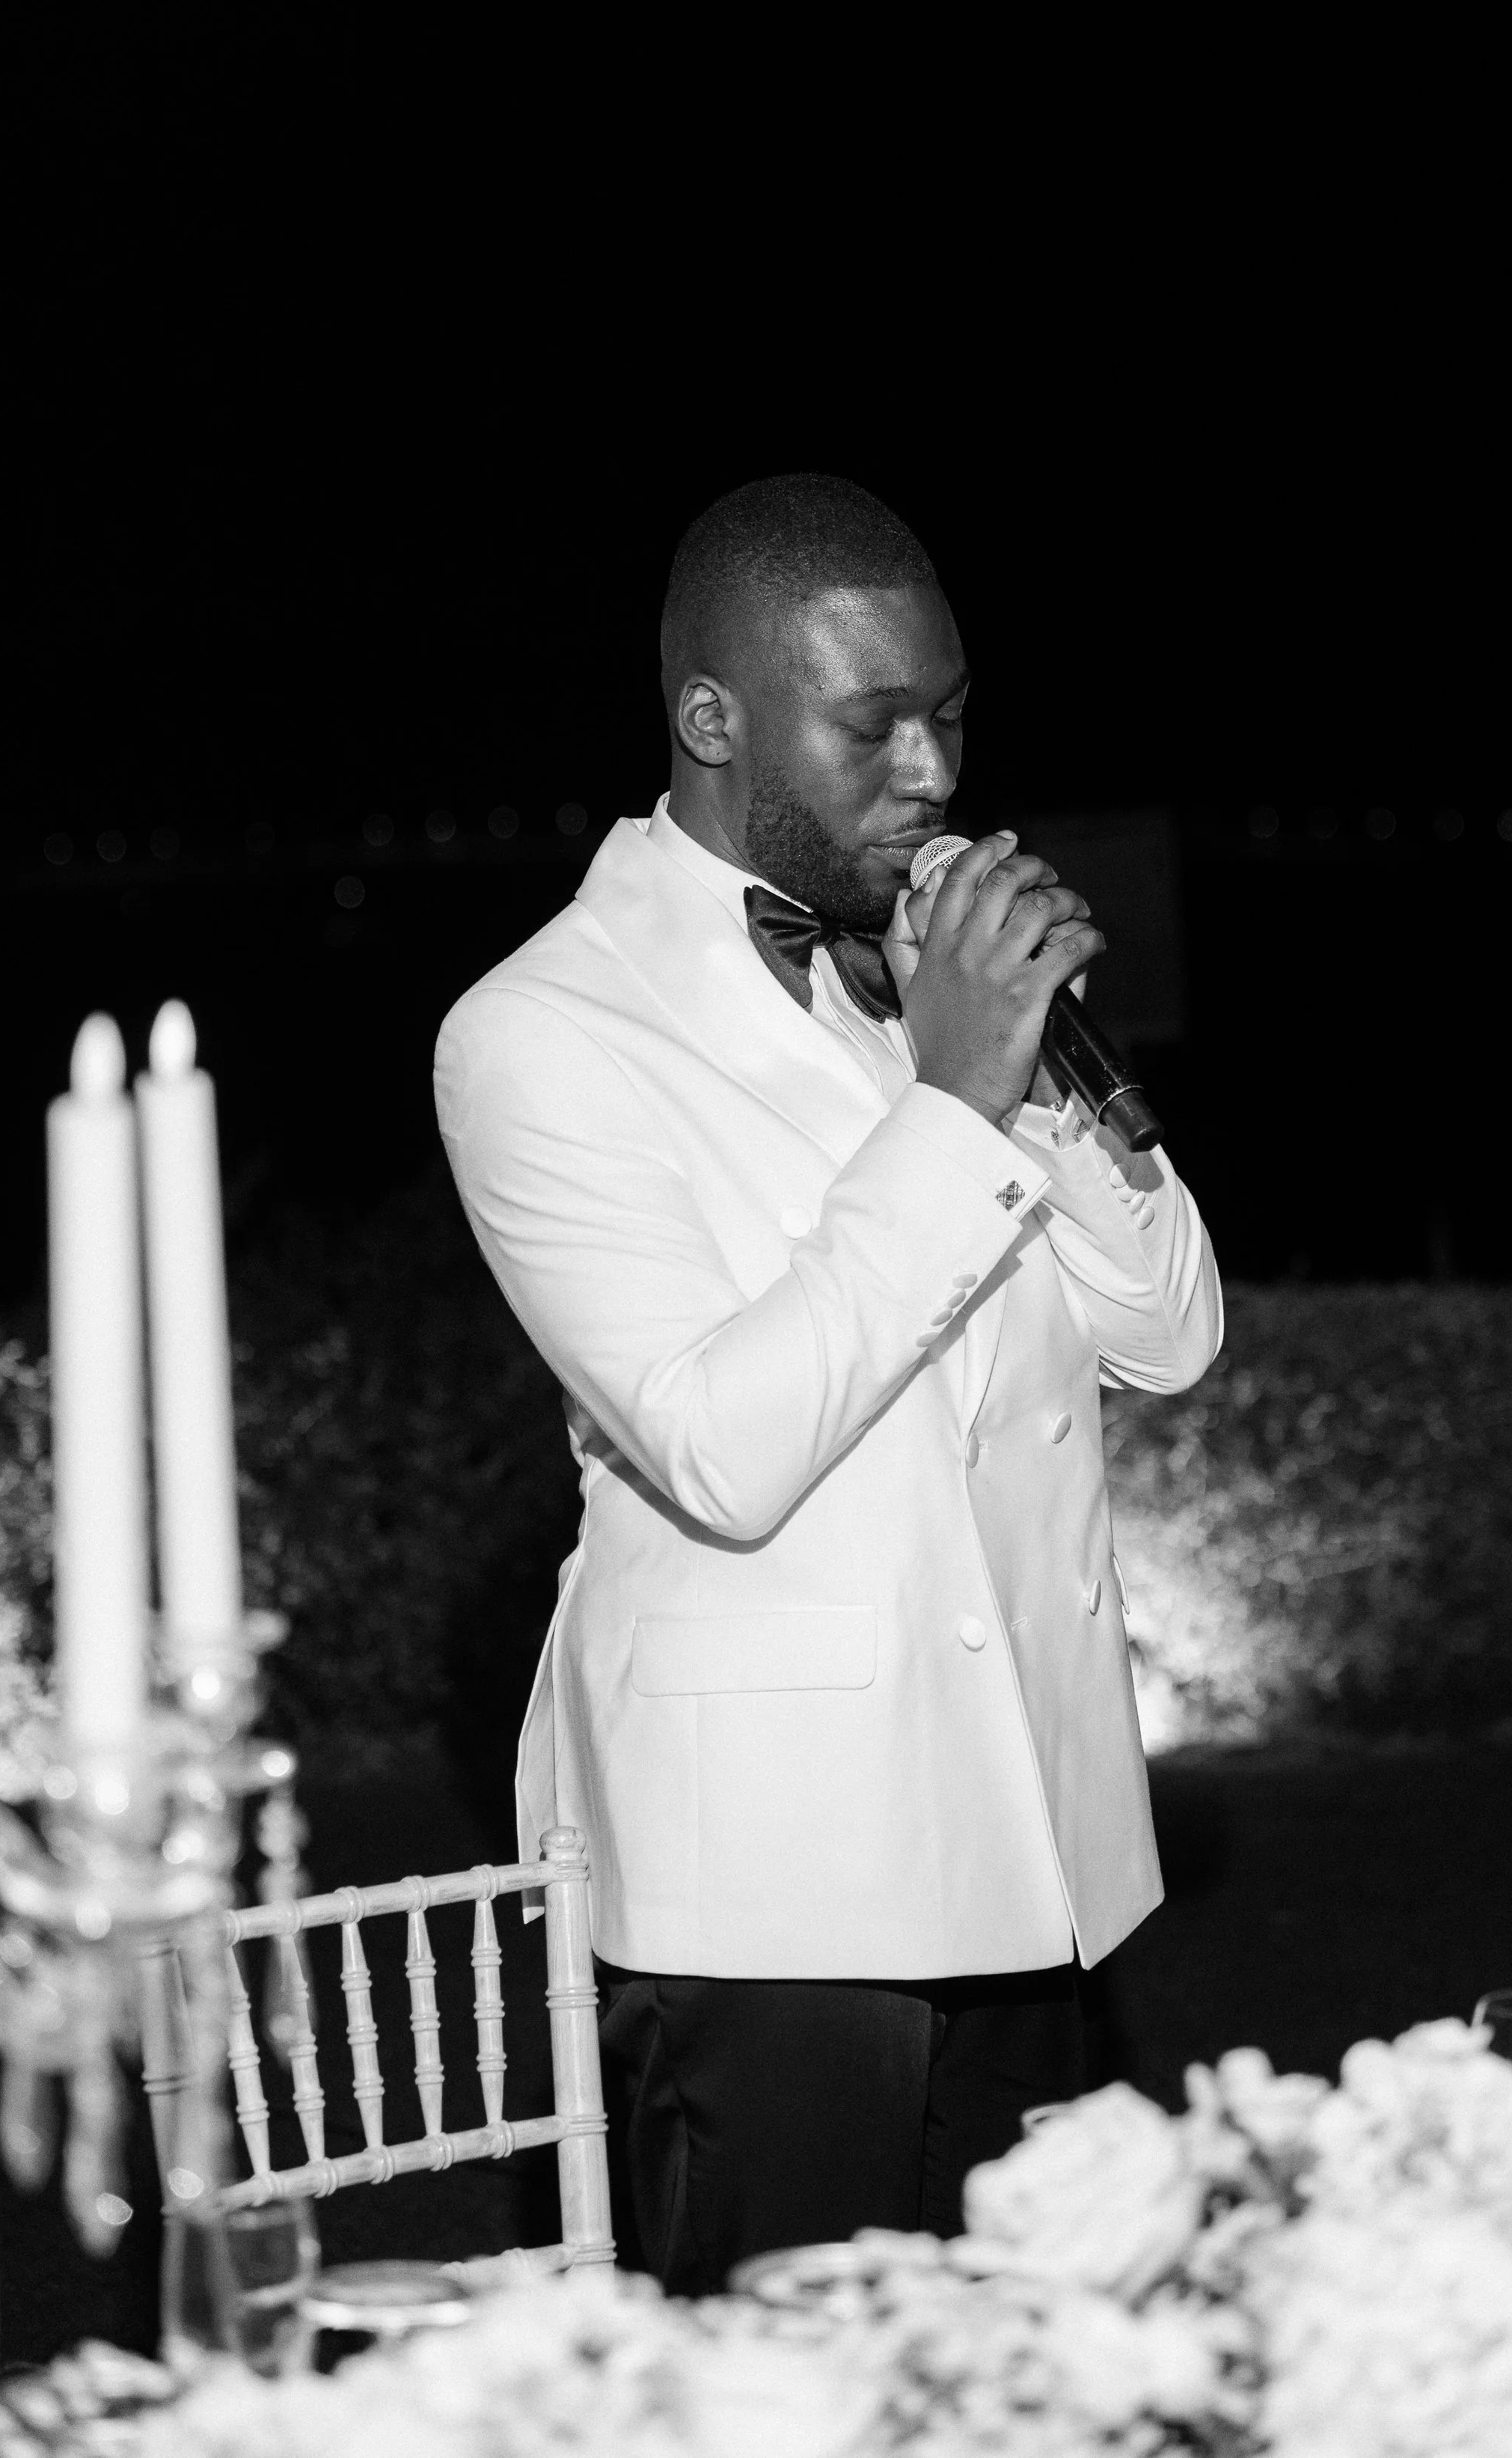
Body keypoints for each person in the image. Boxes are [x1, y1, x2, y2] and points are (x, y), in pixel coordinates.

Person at [434, 472, 1221, 2293]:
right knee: (778, 2391)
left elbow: (1168, 1334)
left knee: (1022, 2382)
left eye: (949, 714)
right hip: (771, 1889)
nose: (931, 769)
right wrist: (951, 1100)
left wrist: (1027, 1077)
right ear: (713, 719)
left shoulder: (924, 984)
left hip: (1024, 1842)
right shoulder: (539, 1032)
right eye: (874, 725)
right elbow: (720, 1448)